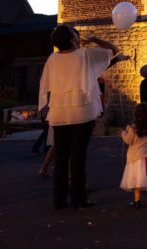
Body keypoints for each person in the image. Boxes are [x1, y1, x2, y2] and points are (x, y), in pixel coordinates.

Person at [37, 25, 119, 209]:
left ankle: (59, 199)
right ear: (73, 40)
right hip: (82, 112)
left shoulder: (52, 59)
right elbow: (114, 50)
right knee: (78, 156)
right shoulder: (85, 55)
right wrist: (94, 39)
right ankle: (78, 198)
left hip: (59, 112)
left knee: (61, 156)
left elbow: (46, 85)